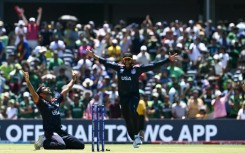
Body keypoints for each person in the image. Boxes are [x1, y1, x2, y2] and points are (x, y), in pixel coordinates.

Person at [87, 49, 177, 148]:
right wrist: (93, 55)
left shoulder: (136, 69)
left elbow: (153, 65)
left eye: (129, 60)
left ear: (132, 61)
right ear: (123, 61)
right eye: (126, 60)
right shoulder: (119, 68)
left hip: (134, 96)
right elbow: (105, 61)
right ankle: (135, 137)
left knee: (132, 109)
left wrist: (167, 60)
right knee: (127, 118)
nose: (127, 62)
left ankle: (138, 134)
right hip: (123, 98)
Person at [22, 70, 85, 150]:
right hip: (51, 133)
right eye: (44, 88)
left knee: (81, 145)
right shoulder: (41, 103)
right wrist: (28, 81)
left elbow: (66, 89)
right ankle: (44, 141)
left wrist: (73, 80)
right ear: (41, 94)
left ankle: (61, 142)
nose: (47, 87)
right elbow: (33, 93)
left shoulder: (55, 100)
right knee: (61, 145)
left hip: (60, 132)